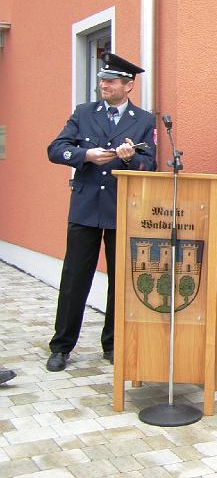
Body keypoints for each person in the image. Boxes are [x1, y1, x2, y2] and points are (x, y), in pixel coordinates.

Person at [45, 53, 157, 372]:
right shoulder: (83, 113)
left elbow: (149, 164)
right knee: (74, 279)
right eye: (102, 80)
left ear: (129, 85)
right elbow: (55, 149)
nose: (104, 85)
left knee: (120, 281)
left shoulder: (144, 120)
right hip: (85, 208)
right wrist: (85, 155)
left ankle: (113, 343)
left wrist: (126, 159)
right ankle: (62, 346)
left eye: (111, 81)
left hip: (121, 209)